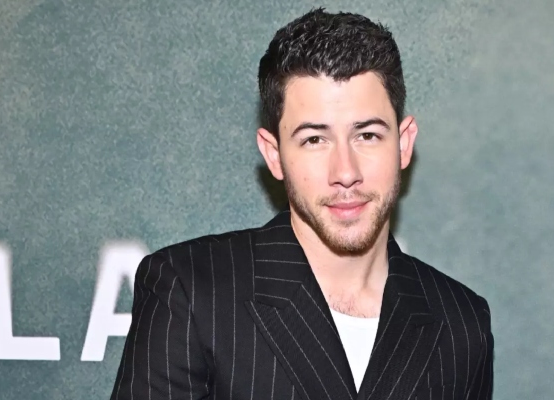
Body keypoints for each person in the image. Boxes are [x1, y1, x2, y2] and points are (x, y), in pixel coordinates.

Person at [111, 7, 493, 400]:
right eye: (314, 140)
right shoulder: (191, 292)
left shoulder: (462, 324)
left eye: (367, 135)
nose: (345, 172)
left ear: (403, 144)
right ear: (274, 154)